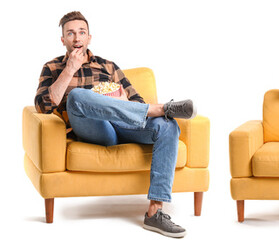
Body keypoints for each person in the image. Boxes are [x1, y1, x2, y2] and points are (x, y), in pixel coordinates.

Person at [34, 11, 196, 238]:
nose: (76, 38)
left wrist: (120, 100)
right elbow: (43, 107)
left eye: (81, 32)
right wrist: (70, 69)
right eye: (70, 33)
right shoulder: (52, 68)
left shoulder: (108, 67)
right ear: (63, 40)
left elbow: (137, 103)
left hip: (124, 124)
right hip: (92, 128)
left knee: (168, 125)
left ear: (89, 37)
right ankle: (160, 107)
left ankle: (155, 212)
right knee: (78, 96)